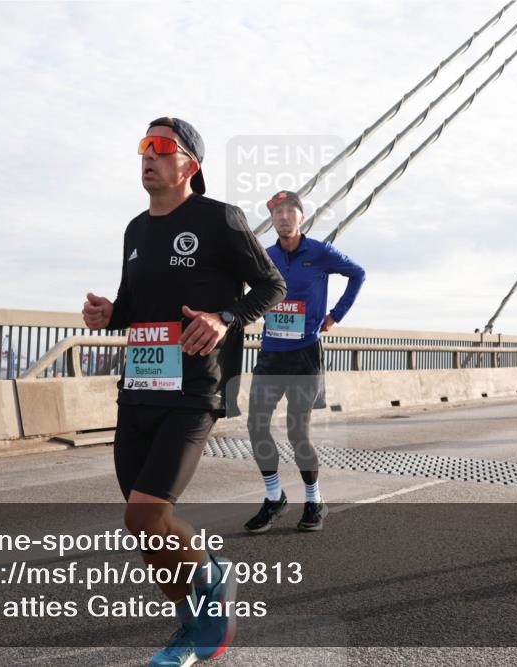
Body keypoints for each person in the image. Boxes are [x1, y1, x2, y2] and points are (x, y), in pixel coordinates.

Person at [82, 116, 286, 666]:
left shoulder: (220, 218)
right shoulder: (135, 229)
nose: (148, 156)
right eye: (143, 147)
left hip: (195, 388)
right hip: (140, 387)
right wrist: (110, 315)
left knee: (143, 517)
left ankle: (207, 631)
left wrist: (224, 318)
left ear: (189, 164)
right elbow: (135, 305)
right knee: (148, 527)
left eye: (161, 147)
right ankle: (200, 602)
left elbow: (272, 285)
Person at [244, 190, 366, 534]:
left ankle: (314, 499)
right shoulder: (264, 256)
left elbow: (358, 274)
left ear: (301, 217)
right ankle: (274, 498)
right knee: (256, 426)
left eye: (289, 211)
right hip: (270, 353)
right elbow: (249, 290)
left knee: (299, 431)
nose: (282, 217)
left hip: (305, 354)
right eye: (276, 212)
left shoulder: (321, 252)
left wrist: (335, 316)